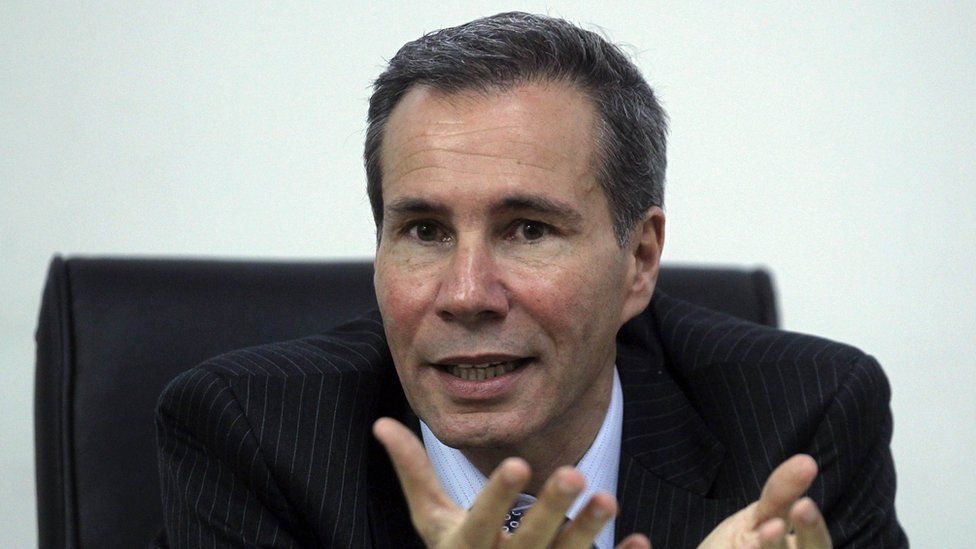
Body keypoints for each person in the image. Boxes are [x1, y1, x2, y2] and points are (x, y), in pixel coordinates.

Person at [154, 12, 907, 548]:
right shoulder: (251, 436)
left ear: (639, 261)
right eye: (424, 231)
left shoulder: (803, 421)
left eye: (528, 229)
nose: (466, 293)